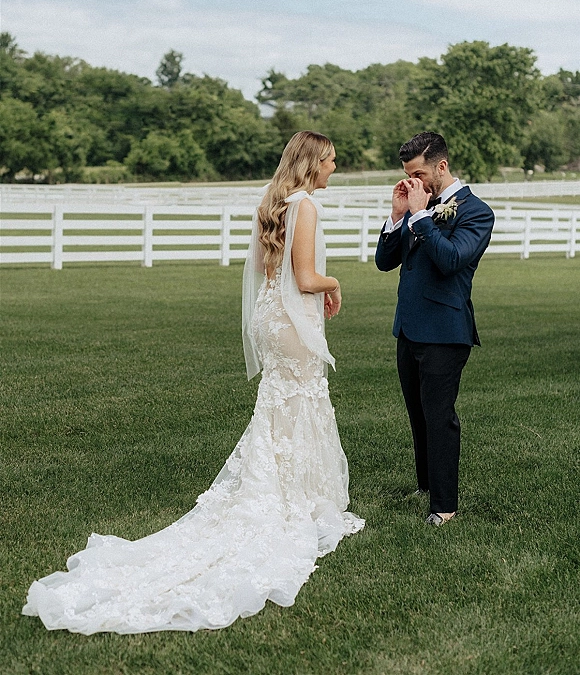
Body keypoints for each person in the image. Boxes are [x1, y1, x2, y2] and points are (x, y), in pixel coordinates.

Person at [22, 130, 364, 634]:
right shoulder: (306, 206)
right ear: (312, 164)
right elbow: (308, 278)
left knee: (281, 407)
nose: (336, 167)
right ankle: (296, 501)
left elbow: (276, 276)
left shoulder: (276, 203)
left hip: (271, 321)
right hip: (293, 323)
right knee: (300, 402)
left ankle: (286, 490)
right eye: (332, 160)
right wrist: (336, 285)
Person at [375, 132, 494, 526]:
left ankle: (444, 506)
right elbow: (384, 262)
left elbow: (451, 260)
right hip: (408, 328)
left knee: (439, 416)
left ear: (441, 167)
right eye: (408, 175)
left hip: (446, 330)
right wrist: (396, 216)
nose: (413, 183)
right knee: (418, 414)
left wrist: (422, 216)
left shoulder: (476, 212)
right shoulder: (415, 207)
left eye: (419, 173)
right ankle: (426, 484)